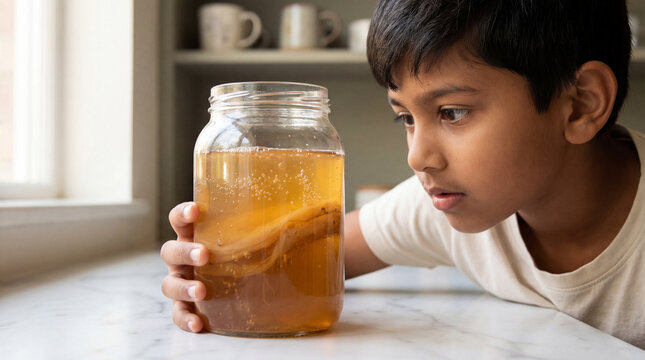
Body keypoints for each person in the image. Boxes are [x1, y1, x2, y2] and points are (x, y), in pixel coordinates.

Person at [161, 0, 645, 348]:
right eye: (406, 117)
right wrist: (207, 265)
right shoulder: (446, 203)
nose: (417, 158)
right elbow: (308, 255)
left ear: (580, 104)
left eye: (452, 112)